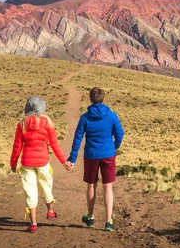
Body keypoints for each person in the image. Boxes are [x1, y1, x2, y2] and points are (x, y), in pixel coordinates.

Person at [64, 87, 124, 232]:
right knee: (107, 186)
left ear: (90, 99)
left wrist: (72, 158)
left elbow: (78, 138)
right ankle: (108, 221)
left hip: (91, 155)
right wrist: (114, 147)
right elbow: (120, 133)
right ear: (103, 99)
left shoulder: (85, 117)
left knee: (91, 185)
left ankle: (90, 217)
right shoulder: (112, 116)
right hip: (108, 154)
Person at [10, 96, 67, 233]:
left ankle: (33, 223)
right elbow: (54, 144)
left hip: (27, 162)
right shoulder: (48, 122)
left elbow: (17, 146)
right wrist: (64, 161)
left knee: (30, 192)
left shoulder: (22, 124)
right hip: (43, 161)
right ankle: (50, 211)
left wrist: (13, 163)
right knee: (46, 186)